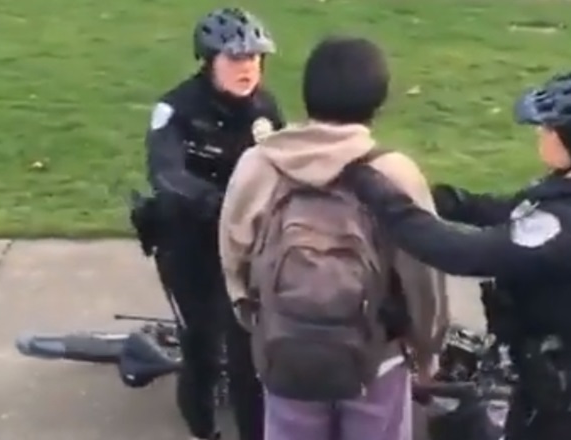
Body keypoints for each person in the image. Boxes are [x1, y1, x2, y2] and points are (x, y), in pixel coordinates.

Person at [342, 67, 571, 440]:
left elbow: (461, 253)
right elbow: (514, 213)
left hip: (569, 396)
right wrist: (440, 199)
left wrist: (374, 191)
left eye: (550, 127)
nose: (541, 132)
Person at [218, 36, 448, 440]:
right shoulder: (395, 173)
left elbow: (234, 255)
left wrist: (260, 322)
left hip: (287, 349)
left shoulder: (259, 164)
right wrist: (427, 350)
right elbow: (423, 276)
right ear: (377, 99)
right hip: (377, 355)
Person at [142, 7, 285, 440]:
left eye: (255, 58)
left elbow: (285, 161)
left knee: (247, 356)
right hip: (192, 247)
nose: (248, 68)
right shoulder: (175, 109)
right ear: (209, 61)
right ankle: (204, 430)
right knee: (202, 347)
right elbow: (167, 174)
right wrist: (220, 203)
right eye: (236, 59)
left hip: (244, 246)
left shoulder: (265, 107)